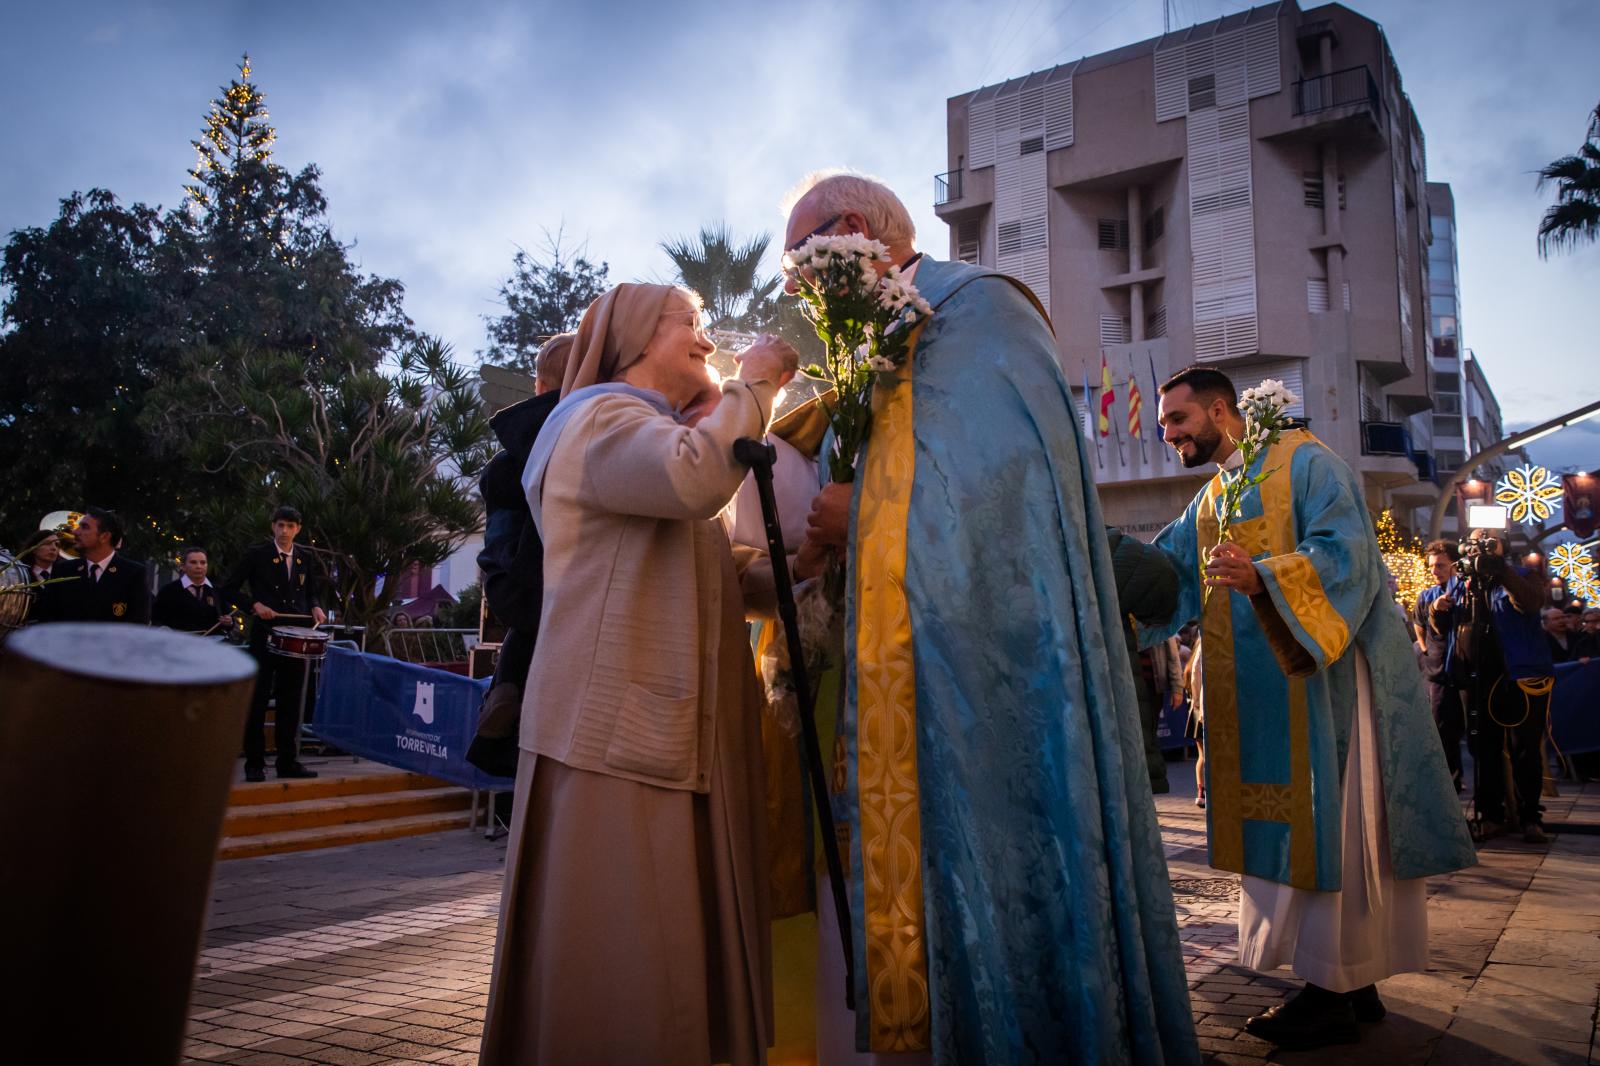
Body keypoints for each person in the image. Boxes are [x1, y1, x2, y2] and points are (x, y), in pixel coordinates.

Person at [785, 172, 1198, 1064]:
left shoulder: (979, 311)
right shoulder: (871, 344)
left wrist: (857, 510)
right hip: (904, 672)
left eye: (800, 264)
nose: (797, 290)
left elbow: (1006, 494)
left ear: (850, 231)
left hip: (993, 679)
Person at [479, 283, 800, 1066]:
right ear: (633, 340)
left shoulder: (641, 428)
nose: (707, 340)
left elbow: (706, 569)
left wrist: (804, 566)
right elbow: (693, 478)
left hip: (652, 735)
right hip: (616, 742)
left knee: (655, 960)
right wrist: (757, 384)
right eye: (688, 324)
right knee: (627, 963)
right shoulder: (595, 418)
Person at [1142, 366, 1475, 1051]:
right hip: (1264, 703)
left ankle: (1332, 993)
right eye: (1163, 423)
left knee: (1340, 836)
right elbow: (1163, 573)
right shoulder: (1216, 497)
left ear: (1221, 411)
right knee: (1315, 840)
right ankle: (1355, 981)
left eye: (1177, 420)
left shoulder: (1309, 463)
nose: (1166, 433)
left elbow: (1347, 556)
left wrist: (1265, 575)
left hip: (1324, 689)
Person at [469, 334, 575, 777]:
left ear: (537, 386)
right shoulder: (600, 438)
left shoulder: (505, 464)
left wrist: (501, 583)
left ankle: (505, 686)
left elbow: (498, 546)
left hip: (528, 607)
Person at [1430, 532, 1554, 842]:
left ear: (1504, 546)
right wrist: (1437, 609)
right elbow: (1442, 629)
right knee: (1483, 749)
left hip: (1520, 676)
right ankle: (1491, 815)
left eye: (1490, 540)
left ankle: (1530, 817)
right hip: (1476, 677)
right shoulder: (1462, 582)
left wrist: (1500, 569)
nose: (1482, 544)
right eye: (1476, 540)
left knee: (1524, 748)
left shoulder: (1523, 574)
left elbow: (1530, 602)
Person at [219, 506, 327, 783]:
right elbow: (228, 588)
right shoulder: (258, 554)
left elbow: (312, 591)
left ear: (298, 529)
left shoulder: (305, 557)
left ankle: (287, 761)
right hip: (265, 636)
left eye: (290, 526)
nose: (284, 531)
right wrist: (253, 605)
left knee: (291, 702)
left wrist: (315, 606)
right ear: (273, 527)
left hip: (295, 637)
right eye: (280, 525)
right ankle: (254, 763)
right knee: (257, 700)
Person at [1416, 541, 1466, 789]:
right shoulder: (1426, 595)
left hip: (1467, 672)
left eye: (1441, 565)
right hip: (1438, 674)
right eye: (1432, 566)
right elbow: (1418, 625)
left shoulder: (1468, 592)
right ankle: (1450, 785)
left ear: (1455, 565)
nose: (1435, 571)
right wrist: (1427, 651)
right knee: (1442, 732)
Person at [57, 507, 151, 624]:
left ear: (105, 536)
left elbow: (137, 624)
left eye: (85, 527)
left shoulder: (133, 574)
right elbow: (49, 619)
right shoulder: (63, 570)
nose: (75, 532)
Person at [152, 546, 230, 633]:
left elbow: (228, 618)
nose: (199, 566)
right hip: (179, 643)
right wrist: (163, 629)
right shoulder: (168, 591)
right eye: (193, 562)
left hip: (210, 644)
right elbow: (156, 619)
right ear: (183, 566)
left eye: (203, 563)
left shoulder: (217, 591)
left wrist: (229, 622)